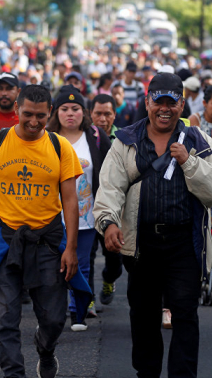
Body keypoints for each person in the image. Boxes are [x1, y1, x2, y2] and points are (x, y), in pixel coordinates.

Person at [93, 73, 212, 378]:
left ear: (182, 104)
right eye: (159, 102)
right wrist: (109, 223)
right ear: (147, 102)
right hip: (141, 245)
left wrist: (189, 162)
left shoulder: (198, 140)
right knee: (143, 317)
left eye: (172, 102)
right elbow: (109, 187)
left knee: (184, 314)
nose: (165, 109)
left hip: (184, 244)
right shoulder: (126, 140)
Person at [0, 84, 86, 378]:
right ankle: (14, 374)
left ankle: (45, 349)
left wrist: (71, 248)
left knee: (54, 319)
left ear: (49, 113)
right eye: (27, 113)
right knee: (3, 317)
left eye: (40, 116)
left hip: (49, 241)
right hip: (7, 240)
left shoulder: (59, 146)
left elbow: (70, 199)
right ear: (16, 109)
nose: (33, 121)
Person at [47, 85, 112, 329]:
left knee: (81, 262)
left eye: (75, 109)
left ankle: (78, 310)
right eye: (64, 109)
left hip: (86, 214)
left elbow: (110, 170)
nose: (70, 114)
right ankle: (53, 312)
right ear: (56, 112)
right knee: (52, 265)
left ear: (84, 112)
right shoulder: (47, 137)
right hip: (52, 215)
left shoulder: (95, 136)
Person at [89, 94, 124, 306]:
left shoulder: (124, 138)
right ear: (90, 114)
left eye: (107, 114)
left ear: (114, 115)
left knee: (115, 260)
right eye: (98, 113)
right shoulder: (83, 138)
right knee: (87, 256)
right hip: (87, 207)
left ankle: (108, 281)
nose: (102, 119)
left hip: (113, 209)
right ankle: (87, 298)